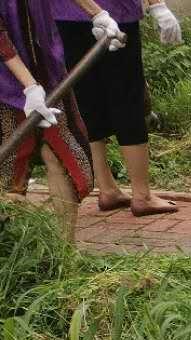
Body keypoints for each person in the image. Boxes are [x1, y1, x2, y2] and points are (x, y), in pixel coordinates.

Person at [52, 0, 178, 216]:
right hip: (114, 14)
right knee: (127, 97)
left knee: (86, 100)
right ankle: (142, 195)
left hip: (67, 13)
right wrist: (157, 5)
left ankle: (107, 189)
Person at [1, 0, 111, 241]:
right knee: (8, 174)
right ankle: (10, 252)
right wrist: (29, 87)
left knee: (60, 152)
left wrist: (97, 14)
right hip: (4, 83)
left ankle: (64, 253)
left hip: (46, 70)